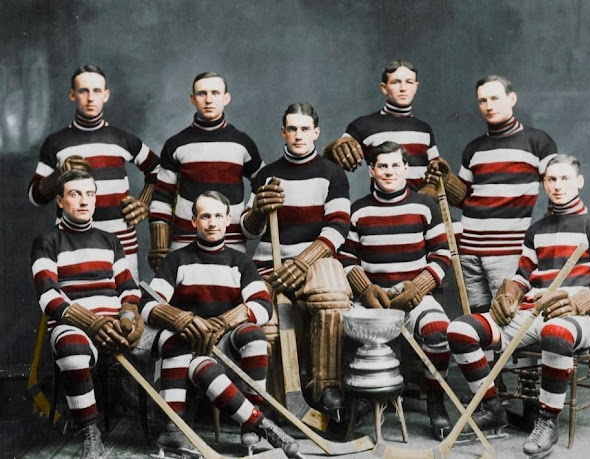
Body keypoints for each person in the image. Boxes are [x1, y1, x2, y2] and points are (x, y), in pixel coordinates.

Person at [447, 155, 590, 457]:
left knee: (555, 331)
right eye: (551, 179)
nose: (558, 185)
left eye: (565, 179)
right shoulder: (537, 229)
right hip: (530, 314)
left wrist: (575, 302)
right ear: (544, 183)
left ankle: (547, 421)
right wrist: (509, 295)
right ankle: (491, 407)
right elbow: (522, 277)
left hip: (574, 319)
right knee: (461, 329)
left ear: (579, 182)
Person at [140, 191, 299, 458]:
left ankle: (251, 420)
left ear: (227, 220)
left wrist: (226, 321)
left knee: (254, 334)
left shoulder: (240, 262)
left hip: (223, 345)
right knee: (200, 363)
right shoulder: (177, 260)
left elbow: (263, 306)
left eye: (217, 216)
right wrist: (181, 319)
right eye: (205, 216)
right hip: (188, 348)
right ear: (193, 221)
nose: (212, 223)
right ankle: (252, 422)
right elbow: (147, 304)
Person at [241, 102, 351, 419]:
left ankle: (326, 388)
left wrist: (303, 262)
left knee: (332, 297)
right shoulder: (267, 175)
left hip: (315, 260)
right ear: (283, 132)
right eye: (292, 129)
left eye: (305, 129)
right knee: (266, 322)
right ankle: (276, 399)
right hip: (271, 264)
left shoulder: (332, 173)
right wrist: (258, 211)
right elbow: (249, 230)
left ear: (316, 132)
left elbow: (338, 226)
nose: (298, 135)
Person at [338, 141, 453, 438]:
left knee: (438, 330)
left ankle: (436, 400)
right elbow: (347, 257)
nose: (389, 172)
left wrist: (420, 286)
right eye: (382, 166)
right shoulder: (358, 210)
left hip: (414, 296)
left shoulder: (425, 206)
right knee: (342, 329)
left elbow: (442, 254)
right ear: (372, 170)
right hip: (373, 300)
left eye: (395, 165)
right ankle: (359, 401)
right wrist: (365, 289)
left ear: (406, 168)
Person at [31, 170, 143, 459]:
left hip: (115, 325)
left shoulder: (110, 240)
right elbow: (48, 297)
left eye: (89, 194)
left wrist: (127, 318)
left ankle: (169, 429)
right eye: (75, 194)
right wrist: (92, 324)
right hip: (73, 325)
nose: (84, 201)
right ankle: (90, 432)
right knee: (72, 348)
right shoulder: (47, 241)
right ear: (59, 201)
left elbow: (129, 288)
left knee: (166, 338)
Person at [425, 75, 558, 314]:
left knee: (507, 317)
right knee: (477, 319)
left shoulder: (538, 142)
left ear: (512, 99)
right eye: (483, 100)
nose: (489, 106)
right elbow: (464, 198)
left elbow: (556, 187)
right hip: (469, 248)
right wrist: (447, 180)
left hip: (508, 250)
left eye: (495, 98)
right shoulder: (474, 148)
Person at [28, 64, 159, 281]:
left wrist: (144, 202)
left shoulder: (122, 139)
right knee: (77, 299)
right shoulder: (56, 143)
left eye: (97, 91)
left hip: (122, 244)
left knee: (126, 299)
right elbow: (34, 196)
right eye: (83, 91)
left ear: (106, 95)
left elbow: (159, 170)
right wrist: (59, 175)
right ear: (72, 95)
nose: (90, 98)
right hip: (71, 245)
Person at [148, 72, 264, 270]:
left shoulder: (242, 143)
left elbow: (263, 183)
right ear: (192, 99)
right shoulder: (176, 144)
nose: (209, 100)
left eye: (215, 93)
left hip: (231, 244)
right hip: (185, 244)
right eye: (202, 93)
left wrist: (248, 216)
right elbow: (161, 198)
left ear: (226, 98)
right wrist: (159, 246)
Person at [324, 60, 440, 190]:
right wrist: (333, 149)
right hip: (381, 202)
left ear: (416, 87)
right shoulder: (363, 125)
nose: (403, 88)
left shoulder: (424, 129)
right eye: (396, 82)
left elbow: (436, 172)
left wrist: (432, 191)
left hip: (420, 202)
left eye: (409, 82)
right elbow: (330, 161)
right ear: (384, 88)